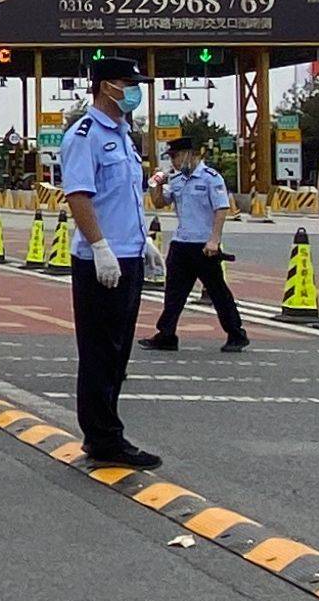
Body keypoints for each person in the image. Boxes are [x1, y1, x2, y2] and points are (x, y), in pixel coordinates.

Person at [60, 57, 159, 468]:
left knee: (117, 353)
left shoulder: (123, 136)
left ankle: (107, 431)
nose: (133, 90)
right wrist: (100, 246)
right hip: (102, 261)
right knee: (101, 352)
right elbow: (79, 195)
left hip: (128, 255)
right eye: (126, 82)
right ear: (103, 86)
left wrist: (143, 244)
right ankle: (102, 438)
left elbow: (124, 199)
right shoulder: (85, 135)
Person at [140, 136, 248, 352]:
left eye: (176, 156)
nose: (174, 162)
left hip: (203, 244)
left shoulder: (210, 178)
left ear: (190, 154)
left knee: (217, 291)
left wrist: (214, 240)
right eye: (171, 157)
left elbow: (221, 208)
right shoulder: (178, 179)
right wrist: (156, 184)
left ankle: (236, 333)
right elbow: (161, 203)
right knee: (173, 292)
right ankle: (167, 334)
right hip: (181, 243)